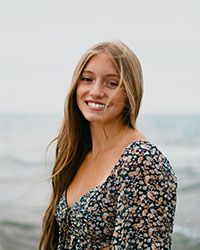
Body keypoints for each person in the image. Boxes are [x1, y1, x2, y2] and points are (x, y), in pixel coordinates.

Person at [39, 40, 177, 250]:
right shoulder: (78, 153)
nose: (95, 91)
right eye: (87, 79)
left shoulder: (142, 162)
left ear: (130, 91)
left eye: (111, 83)